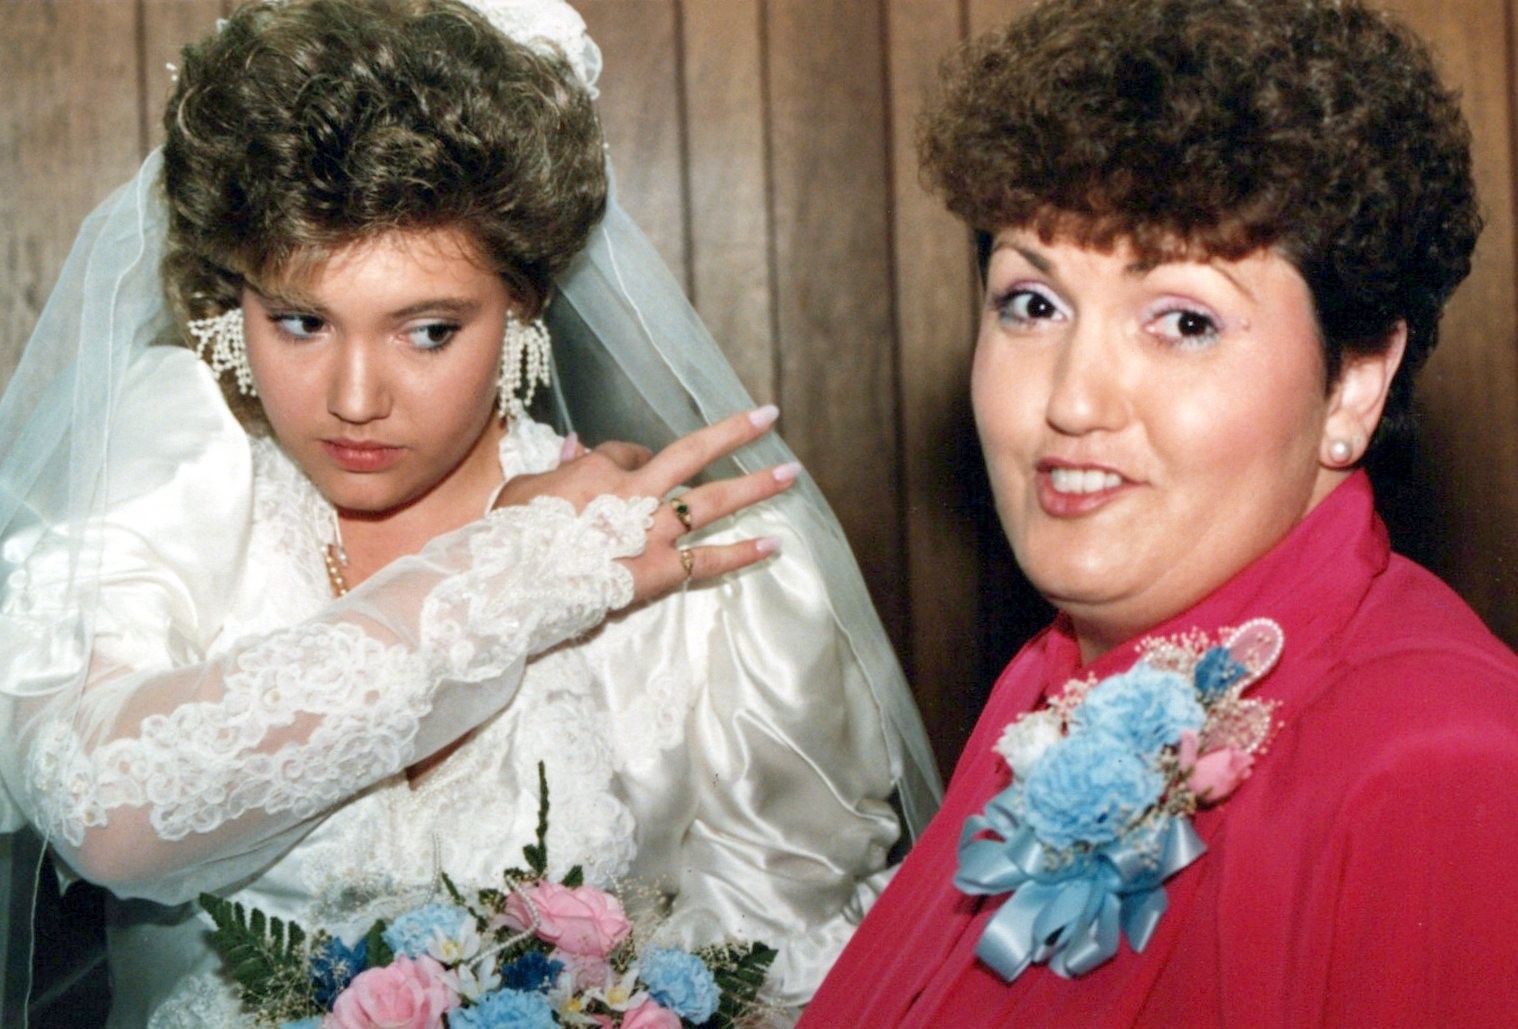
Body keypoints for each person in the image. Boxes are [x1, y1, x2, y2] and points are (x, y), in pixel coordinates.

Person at [0, 0, 940, 1023]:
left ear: (523, 303)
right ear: (235, 303)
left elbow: (782, 970)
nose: (355, 397)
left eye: (429, 331)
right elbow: (102, 813)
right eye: (302, 322)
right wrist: (524, 566)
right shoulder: (174, 486)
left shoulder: (710, 581)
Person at [803, 0, 1518, 1024]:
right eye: (1033, 304)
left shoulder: (1443, 764)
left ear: (1355, 384)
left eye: (1183, 321)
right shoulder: (1058, 674)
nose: (1073, 400)